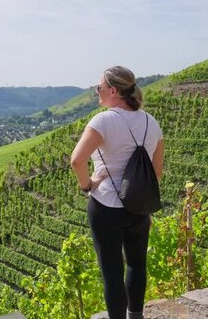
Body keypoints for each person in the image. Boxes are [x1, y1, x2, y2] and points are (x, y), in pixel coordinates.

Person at [70, 66, 164, 319]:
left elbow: (77, 161)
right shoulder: (151, 122)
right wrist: (142, 203)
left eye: (99, 88)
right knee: (136, 264)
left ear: (113, 91)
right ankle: (136, 316)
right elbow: (157, 172)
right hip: (138, 205)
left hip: (106, 207)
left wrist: (87, 185)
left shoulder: (103, 120)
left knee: (111, 273)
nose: (97, 92)